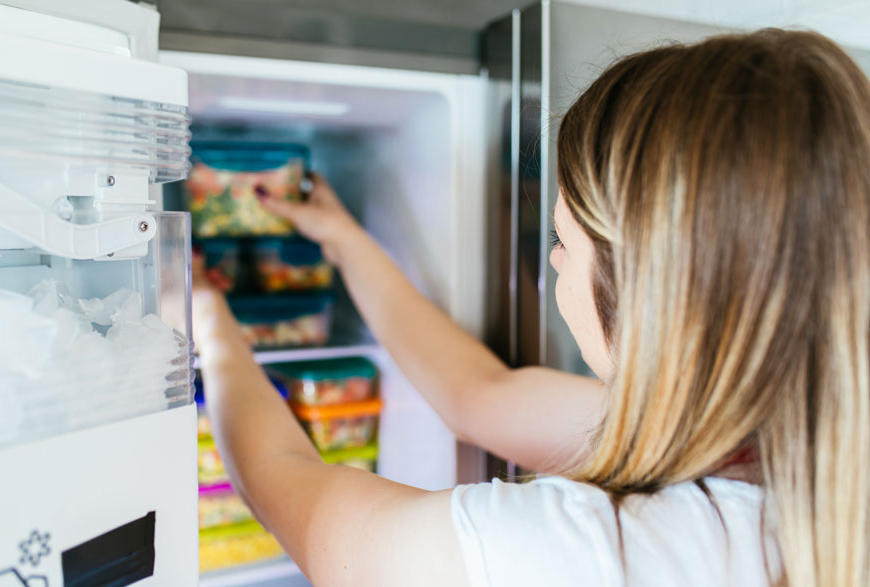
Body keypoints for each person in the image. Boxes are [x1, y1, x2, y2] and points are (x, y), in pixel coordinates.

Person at [192, 28, 870, 586]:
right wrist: (343, 240)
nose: (551, 261)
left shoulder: (578, 554)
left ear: (651, 295)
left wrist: (209, 319)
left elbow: (294, 493)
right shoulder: (795, 454)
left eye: (564, 242)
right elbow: (478, 393)